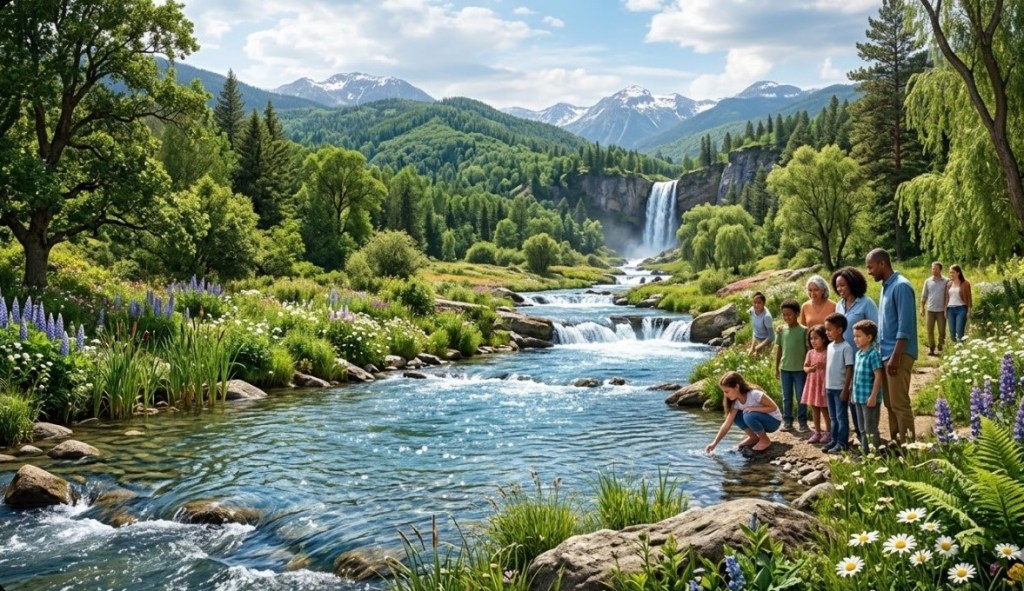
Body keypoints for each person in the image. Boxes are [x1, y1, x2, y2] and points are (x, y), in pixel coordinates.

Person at [865, 248, 917, 444]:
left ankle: (910, 448)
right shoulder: (886, 286)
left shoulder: (901, 286)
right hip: (886, 353)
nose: (869, 272)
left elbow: (905, 327)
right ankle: (897, 443)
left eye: (871, 267)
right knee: (890, 403)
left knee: (900, 404)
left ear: (882, 264)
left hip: (898, 354)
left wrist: (896, 356)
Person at [831, 266, 878, 443]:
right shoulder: (838, 305)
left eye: (843, 285)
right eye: (837, 286)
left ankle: (868, 436)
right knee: (848, 396)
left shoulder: (866, 303)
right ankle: (857, 433)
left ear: (853, 283)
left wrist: (871, 354)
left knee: (861, 396)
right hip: (843, 358)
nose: (840, 289)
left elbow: (875, 330)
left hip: (862, 358)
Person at [705, 371, 782, 454]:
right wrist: (714, 443)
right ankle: (754, 437)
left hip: (773, 422)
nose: (725, 395)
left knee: (748, 415)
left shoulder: (754, 394)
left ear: (737, 387)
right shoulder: (735, 403)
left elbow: (773, 407)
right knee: (736, 416)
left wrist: (753, 409)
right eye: (723, 392)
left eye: (727, 391)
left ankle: (764, 440)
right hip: (759, 421)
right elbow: (727, 424)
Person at [822, 313, 855, 454]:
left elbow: (849, 368)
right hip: (830, 387)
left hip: (840, 388)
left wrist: (846, 389)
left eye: (830, 330)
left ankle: (842, 443)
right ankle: (834, 440)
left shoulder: (846, 347)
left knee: (841, 417)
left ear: (840, 330)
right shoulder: (830, 346)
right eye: (826, 329)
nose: (827, 333)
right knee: (833, 417)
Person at [775, 298, 808, 432]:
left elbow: (808, 350)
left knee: (801, 397)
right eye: (784, 315)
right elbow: (779, 349)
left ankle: (802, 422)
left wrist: (807, 368)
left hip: (800, 370)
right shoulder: (781, 331)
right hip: (785, 369)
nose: (786, 317)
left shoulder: (804, 330)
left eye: (789, 314)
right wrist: (776, 368)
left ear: (797, 314)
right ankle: (787, 422)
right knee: (786, 398)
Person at [851, 319, 884, 454]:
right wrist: (853, 395)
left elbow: (878, 377)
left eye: (858, 336)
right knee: (862, 428)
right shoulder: (858, 354)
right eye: (854, 336)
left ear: (869, 337)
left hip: (869, 398)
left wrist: (873, 396)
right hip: (858, 397)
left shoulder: (874, 354)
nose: (855, 339)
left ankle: (876, 454)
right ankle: (866, 454)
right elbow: (856, 377)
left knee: (870, 428)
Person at [801, 325, 830, 445]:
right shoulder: (810, 353)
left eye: (816, 338)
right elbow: (805, 367)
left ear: (823, 338)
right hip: (813, 383)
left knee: (824, 408)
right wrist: (810, 369)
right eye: (811, 338)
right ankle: (817, 432)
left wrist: (825, 366)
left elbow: (832, 367)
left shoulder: (828, 352)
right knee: (814, 407)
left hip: (823, 384)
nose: (813, 341)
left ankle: (829, 431)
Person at [920, 261, 948, 356]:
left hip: (941, 310)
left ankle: (941, 346)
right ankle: (931, 348)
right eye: (932, 268)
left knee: (942, 331)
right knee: (929, 330)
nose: (934, 270)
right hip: (930, 310)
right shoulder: (928, 281)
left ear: (940, 269)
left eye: (936, 269)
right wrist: (922, 308)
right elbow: (924, 296)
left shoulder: (946, 281)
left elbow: (949, 295)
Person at [945, 264, 973, 343]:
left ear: (958, 273)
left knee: (959, 332)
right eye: (950, 272)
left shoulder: (965, 284)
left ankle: (961, 347)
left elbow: (969, 298)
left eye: (953, 272)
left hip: (961, 309)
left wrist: (969, 311)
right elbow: (947, 298)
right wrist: (945, 310)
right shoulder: (949, 284)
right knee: (952, 333)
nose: (951, 274)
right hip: (950, 310)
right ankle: (955, 348)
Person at [748, 291, 774, 356]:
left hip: (766, 341)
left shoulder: (766, 317)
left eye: (759, 303)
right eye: (754, 302)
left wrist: (757, 348)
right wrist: (752, 347)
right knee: (750, 355)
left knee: (757, 358)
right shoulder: (752, 310)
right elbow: (755, 330)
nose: (756, 305)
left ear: (764, 304)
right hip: (756, 338)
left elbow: (771, 337)